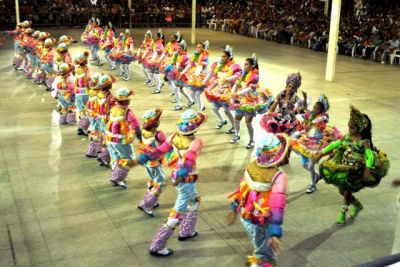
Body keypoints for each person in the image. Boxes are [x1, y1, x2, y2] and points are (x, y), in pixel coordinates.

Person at [139, 109, 206, 257]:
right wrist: (182, 173)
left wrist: (146, 157)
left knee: (194, 201)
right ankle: (158, 245)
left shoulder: (173, 137)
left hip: (179, 176)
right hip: (185, 179)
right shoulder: (196, 142)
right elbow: (189, 160)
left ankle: (187, 231)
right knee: (177, 212)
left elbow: (159, 151)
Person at [313, 105, 390, 225]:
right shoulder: (348, 137)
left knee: (347, 191)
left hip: (356, 169)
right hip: (343, 165)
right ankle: (357, 205)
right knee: (342, 190)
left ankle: (343, 212)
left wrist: (367, 170)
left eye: (352, 128)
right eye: (349, 126)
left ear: (359, 128)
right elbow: (336, 144)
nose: (349, 129)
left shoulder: (364, 142)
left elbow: (369, 155)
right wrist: (320, 154)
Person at [227, 133, 289, 267]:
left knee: (258, 244)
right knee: (265, 255)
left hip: (245, 217)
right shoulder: (278, 176)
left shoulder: (252, 166)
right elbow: (276, 206)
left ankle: (257, 258)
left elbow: (242, 189)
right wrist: (275, 233)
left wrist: (234, 207)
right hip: (261, 220)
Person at [290, 95, 342, 193]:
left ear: (323, 110)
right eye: (314, 107)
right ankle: (317, 175)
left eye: (317, 108)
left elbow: (321, 118)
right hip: (306, 141)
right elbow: (301, 115)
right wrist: (300, 117)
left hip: (317, 143)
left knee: (310, 166)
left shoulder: (324, 116)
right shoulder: (311, 114)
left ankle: (312, 184)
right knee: (304, 165)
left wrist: (312, 121)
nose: (315, 109)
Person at [106, 87, 142, 188]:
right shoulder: (127, 112)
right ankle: (117, 178)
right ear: (127, 100)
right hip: (121, 140)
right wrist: (141, 139)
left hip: (110, 139)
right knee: (128, 159)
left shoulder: (113, 109)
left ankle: (115, 174)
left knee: (115, 157)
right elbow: (136, 127)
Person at [204, 45, 241, 132]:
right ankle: (222, 120)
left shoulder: (234, 66)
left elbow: (237, 76)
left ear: (229, 57)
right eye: (221, 56)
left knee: (227, 111)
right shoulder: (217, 65)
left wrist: (227, 79)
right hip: (218, 90)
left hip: (227, 91)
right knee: (214, 108)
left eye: (224, 56)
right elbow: (215, 78)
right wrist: (208, 85)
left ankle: (234, 127)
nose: (222, 58)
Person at [229, 54, 264, 149]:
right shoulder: (243, 74)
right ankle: (237, 135)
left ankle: (252, 140)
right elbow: (236, 84)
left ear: (252, 66)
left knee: (248, 122)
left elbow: (249, 89)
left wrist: (237, 94)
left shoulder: (255, 76)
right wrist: (233, 94)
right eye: (244, 64)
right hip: (240, 100)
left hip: (250, 102)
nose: (244, 66)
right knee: (237, 119)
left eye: (247, 64)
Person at [137, 109, 167, 217]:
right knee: (161, 183)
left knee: (154, 180)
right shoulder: (158, 134)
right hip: (155, 162)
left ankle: (149, 201)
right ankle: (147, 204)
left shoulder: (144, 132)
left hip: (147, 161)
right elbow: (166, 146)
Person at [165, 40, 194, 111]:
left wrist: (182, 73)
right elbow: (173, 63)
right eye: (178, 48)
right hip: (176, 75)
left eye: (180, 48)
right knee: (179, 89)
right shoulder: (176, 55)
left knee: (180, 89)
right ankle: (189, 101)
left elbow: (188, 66)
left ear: (184, 49)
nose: (178, 50)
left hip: (183, 76)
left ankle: (180, 104)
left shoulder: (185, 57)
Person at [182, 41, 210, 111]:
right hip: (194, 76)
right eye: (197, 47)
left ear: (203, 49)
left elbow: (201, 66)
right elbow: (190, 64)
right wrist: (183, 72)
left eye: (199, 47)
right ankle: (200, 106)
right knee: (192, 95)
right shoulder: (195, 55)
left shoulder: (205, 56)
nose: (198, 48)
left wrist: (196, 74)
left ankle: (200, 110)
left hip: (201, 76)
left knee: (197, 95)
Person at [73, 51, 91, 136]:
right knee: (86, 110)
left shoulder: (76, 68)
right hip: (85, 92)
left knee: (80, 109)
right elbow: (88, 80)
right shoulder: (86, 69)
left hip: (77, 92)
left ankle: (80, 126)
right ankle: (83, 127)